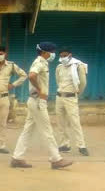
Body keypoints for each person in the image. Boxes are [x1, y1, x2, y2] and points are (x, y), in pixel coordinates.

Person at [10, 42, 73, 170]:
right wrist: (40, 90)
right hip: (38, 101)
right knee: (47, 131)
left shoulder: (43, 63)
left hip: (34, 101)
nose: (53, 54)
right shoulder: (39, 62)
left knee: (27, 131)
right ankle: (56, 159)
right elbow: (32, 76)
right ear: (44, 52)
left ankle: (17, 158)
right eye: (51, 52)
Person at [54, 47, 89, 156]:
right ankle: (65, 144)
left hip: (71, 97)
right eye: (61, 56)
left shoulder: (78, 66)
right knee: (61, 122)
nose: (63, 58)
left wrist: (77, 93)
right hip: (59, 97)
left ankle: (81, 145)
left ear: (70, 55)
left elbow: (83, 82)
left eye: (65, 55)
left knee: (75, 122)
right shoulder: (59, 67)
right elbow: (58, 81)